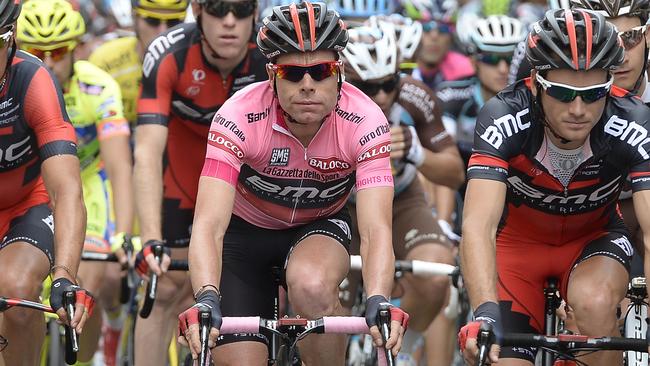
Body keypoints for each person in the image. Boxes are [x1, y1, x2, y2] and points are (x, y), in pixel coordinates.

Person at [176, 2, 409, 365]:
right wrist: (206, 295)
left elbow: (377, 229)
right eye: (291, 74)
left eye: (321, 71)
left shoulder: (365, 121)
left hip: (318, 228)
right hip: (244, 235)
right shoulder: (238, 116)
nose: (307, 86)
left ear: (340, 73)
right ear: (271, 75)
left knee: (312, 285)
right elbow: (208, 225)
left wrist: (379, 298)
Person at [458, 8, 650, 366]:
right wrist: (484, 313)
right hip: (516, 249)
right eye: (562, 93)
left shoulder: (633, 120)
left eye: (593, 94)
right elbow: (477, 225)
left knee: (595, 305)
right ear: (536, 81)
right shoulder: (503, 116)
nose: (578, 109)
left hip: (593, 241)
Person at [131, 0, 268, 364]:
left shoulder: (269, 53)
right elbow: (146, 152)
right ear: (196, 9)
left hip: (248, 185)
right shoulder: (168, 53)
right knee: (164, 289)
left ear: (255, 13)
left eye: (240, 11)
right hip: (183, 180)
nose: (229, 21)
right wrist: (149, 239)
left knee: (262, 287)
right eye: (218, 8)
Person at [340, 19, 464, 366]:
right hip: (339, 204)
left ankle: (401, 349)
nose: (381, 96)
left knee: (436, 270)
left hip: (401, 199)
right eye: (368, 86)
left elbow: (455, 172)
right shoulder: (324, 102)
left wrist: (417, 152)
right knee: (328, 295)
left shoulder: (415, 97)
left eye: (389, 83)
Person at [16, 0, 134, 364]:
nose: (48, 63)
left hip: (88, 182)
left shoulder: (97, 86)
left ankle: (89, 355)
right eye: (37, 51)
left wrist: (125, 234)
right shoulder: (16, 83)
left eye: (58, 51)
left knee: (89, 284)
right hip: (33, 185)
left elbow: (118, 167)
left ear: (78, 48)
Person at [0, 0, 95, 364]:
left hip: (27, 204)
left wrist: (64, 276)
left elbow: (67, 189)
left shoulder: (33, 80)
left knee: (18, 290)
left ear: (10, 42)